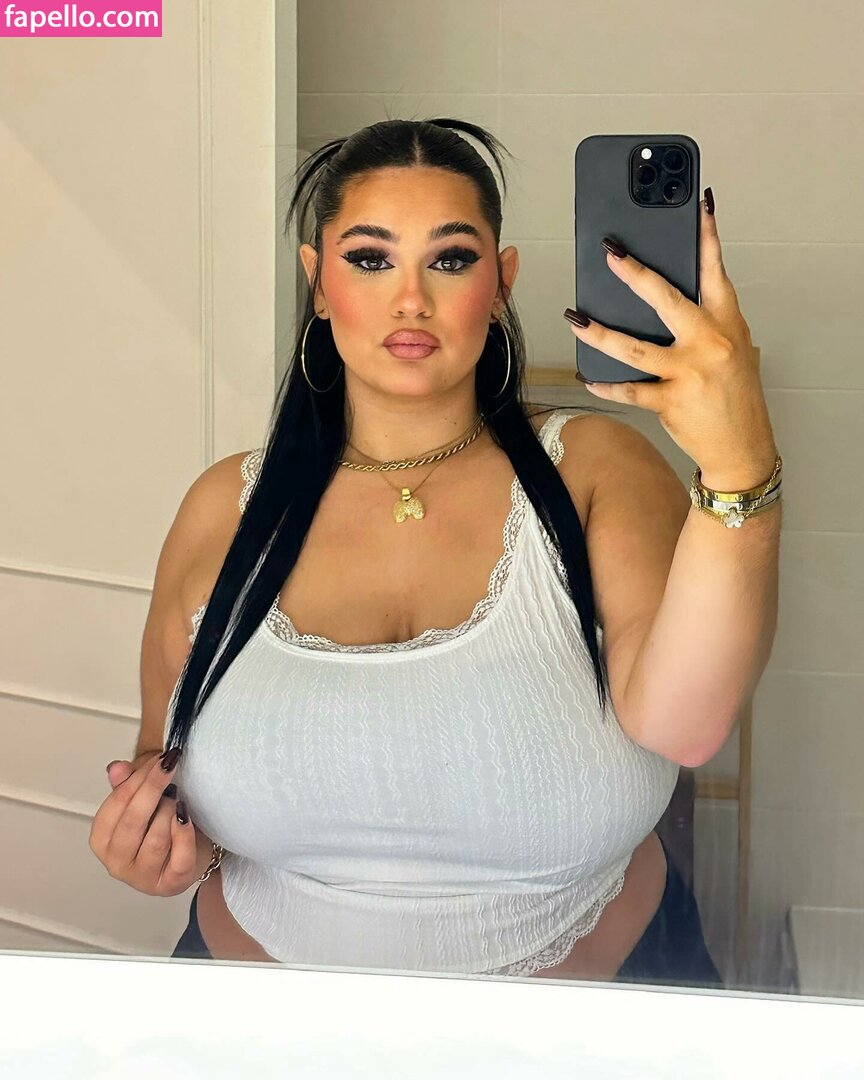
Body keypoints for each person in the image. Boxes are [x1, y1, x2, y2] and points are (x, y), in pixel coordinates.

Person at [91, 118, 780, 986]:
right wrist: (157, 845)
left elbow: (687, 724)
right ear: (317, 281)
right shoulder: (222, 508)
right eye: (369, 259)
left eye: (450, 259)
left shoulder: (599, 470)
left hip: (592, 1023)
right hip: (253, 1025)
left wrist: (740, 465)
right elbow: (162, 771)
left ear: (500, 283)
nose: (410, 299)